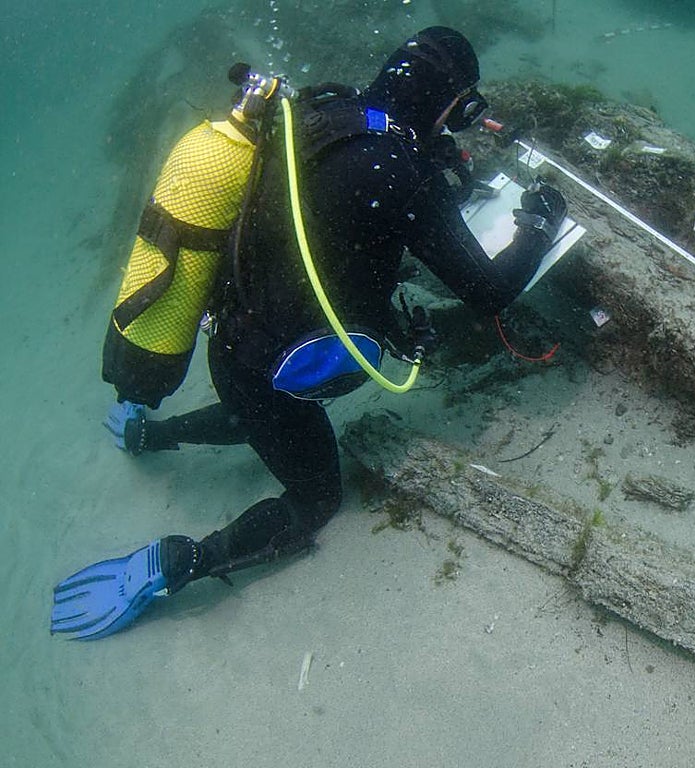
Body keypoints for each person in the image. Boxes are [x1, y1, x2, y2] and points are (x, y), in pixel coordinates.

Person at [51, 27, 567, 640]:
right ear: (450, 104)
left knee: (258, 414)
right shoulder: (404, 174)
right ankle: (189, 560)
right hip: (289, 368)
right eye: (463, 113)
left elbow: (344, 188)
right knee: (315, 497)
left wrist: (434, 157)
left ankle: (148, 432)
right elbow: (489, 291)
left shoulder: (316, 110)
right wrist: (538, 224)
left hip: (231, 344)